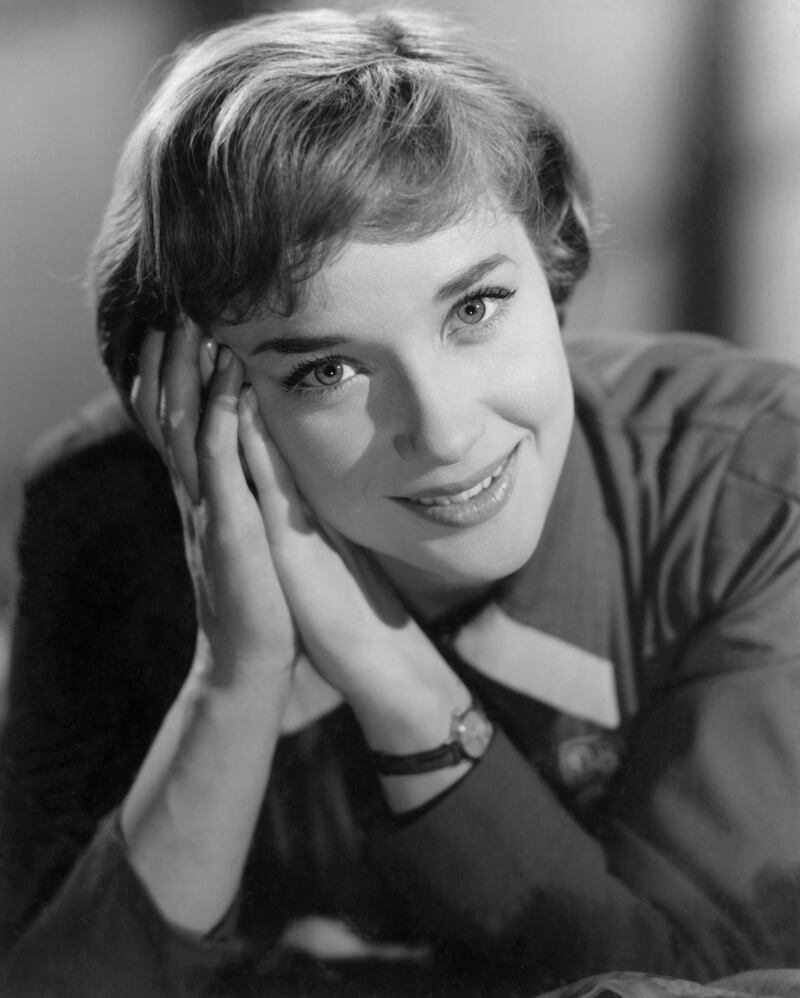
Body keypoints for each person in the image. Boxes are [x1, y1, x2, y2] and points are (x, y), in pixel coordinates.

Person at [1, 8, 799, 997]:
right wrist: (234, 680)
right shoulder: (106, 520)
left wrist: (390, 671)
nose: (444, 430)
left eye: (475, 308)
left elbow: (719, 982)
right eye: (326, 370)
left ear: (551, 258)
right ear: (198, 400)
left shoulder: (756, 483)